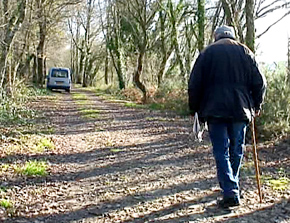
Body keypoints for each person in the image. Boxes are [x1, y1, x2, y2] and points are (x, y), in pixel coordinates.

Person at [188, 25, 267, 208]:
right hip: (241, 109)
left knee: (221, 151)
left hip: (214, 110)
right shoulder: (245, 52)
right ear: (233, 35)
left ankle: (230, 191)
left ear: (216, 37)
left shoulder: (207, 53)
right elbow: (260, 83)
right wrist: (256, 105)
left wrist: (194, 109)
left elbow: (194, 84)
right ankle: (231, 188)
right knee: (236, 150)